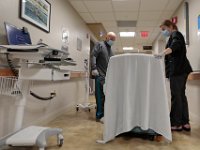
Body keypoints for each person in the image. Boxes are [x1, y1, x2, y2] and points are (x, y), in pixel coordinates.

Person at [155, 20, 192, 131]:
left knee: (176, 97)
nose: (163, 32)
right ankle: (185, 122)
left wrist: (161, 54)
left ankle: (177, 124)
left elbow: (175, 46)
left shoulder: (176, 34)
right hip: (181, 70)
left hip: (178, 71)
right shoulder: (173, 37)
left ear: (170, 26)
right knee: (181, 96)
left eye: (164, 29)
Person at [91, 32, 116, 122]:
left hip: (107, 76)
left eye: (114, 40)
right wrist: (94, 68)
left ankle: (105, 115)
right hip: (99, 75)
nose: (112, 41)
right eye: (112, 39)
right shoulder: (99, 45)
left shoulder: (111, 50)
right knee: (100, 96)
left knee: (106, 97)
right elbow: (93, 55)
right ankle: (99, 115)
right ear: (107, 37)